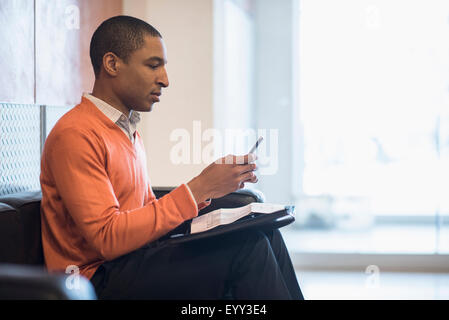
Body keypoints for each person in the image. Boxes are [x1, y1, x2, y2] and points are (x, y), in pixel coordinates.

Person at [40, 15, 304, 300]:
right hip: (95, 280)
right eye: (153, 65)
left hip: (134, 260)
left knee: (264, 235)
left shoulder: (126, 131)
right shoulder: (76, 133)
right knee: (248, 249)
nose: (165, 80)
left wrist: (211, 196)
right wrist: (198, 187)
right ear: (112, 64)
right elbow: (107, 238)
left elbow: (143, 212)